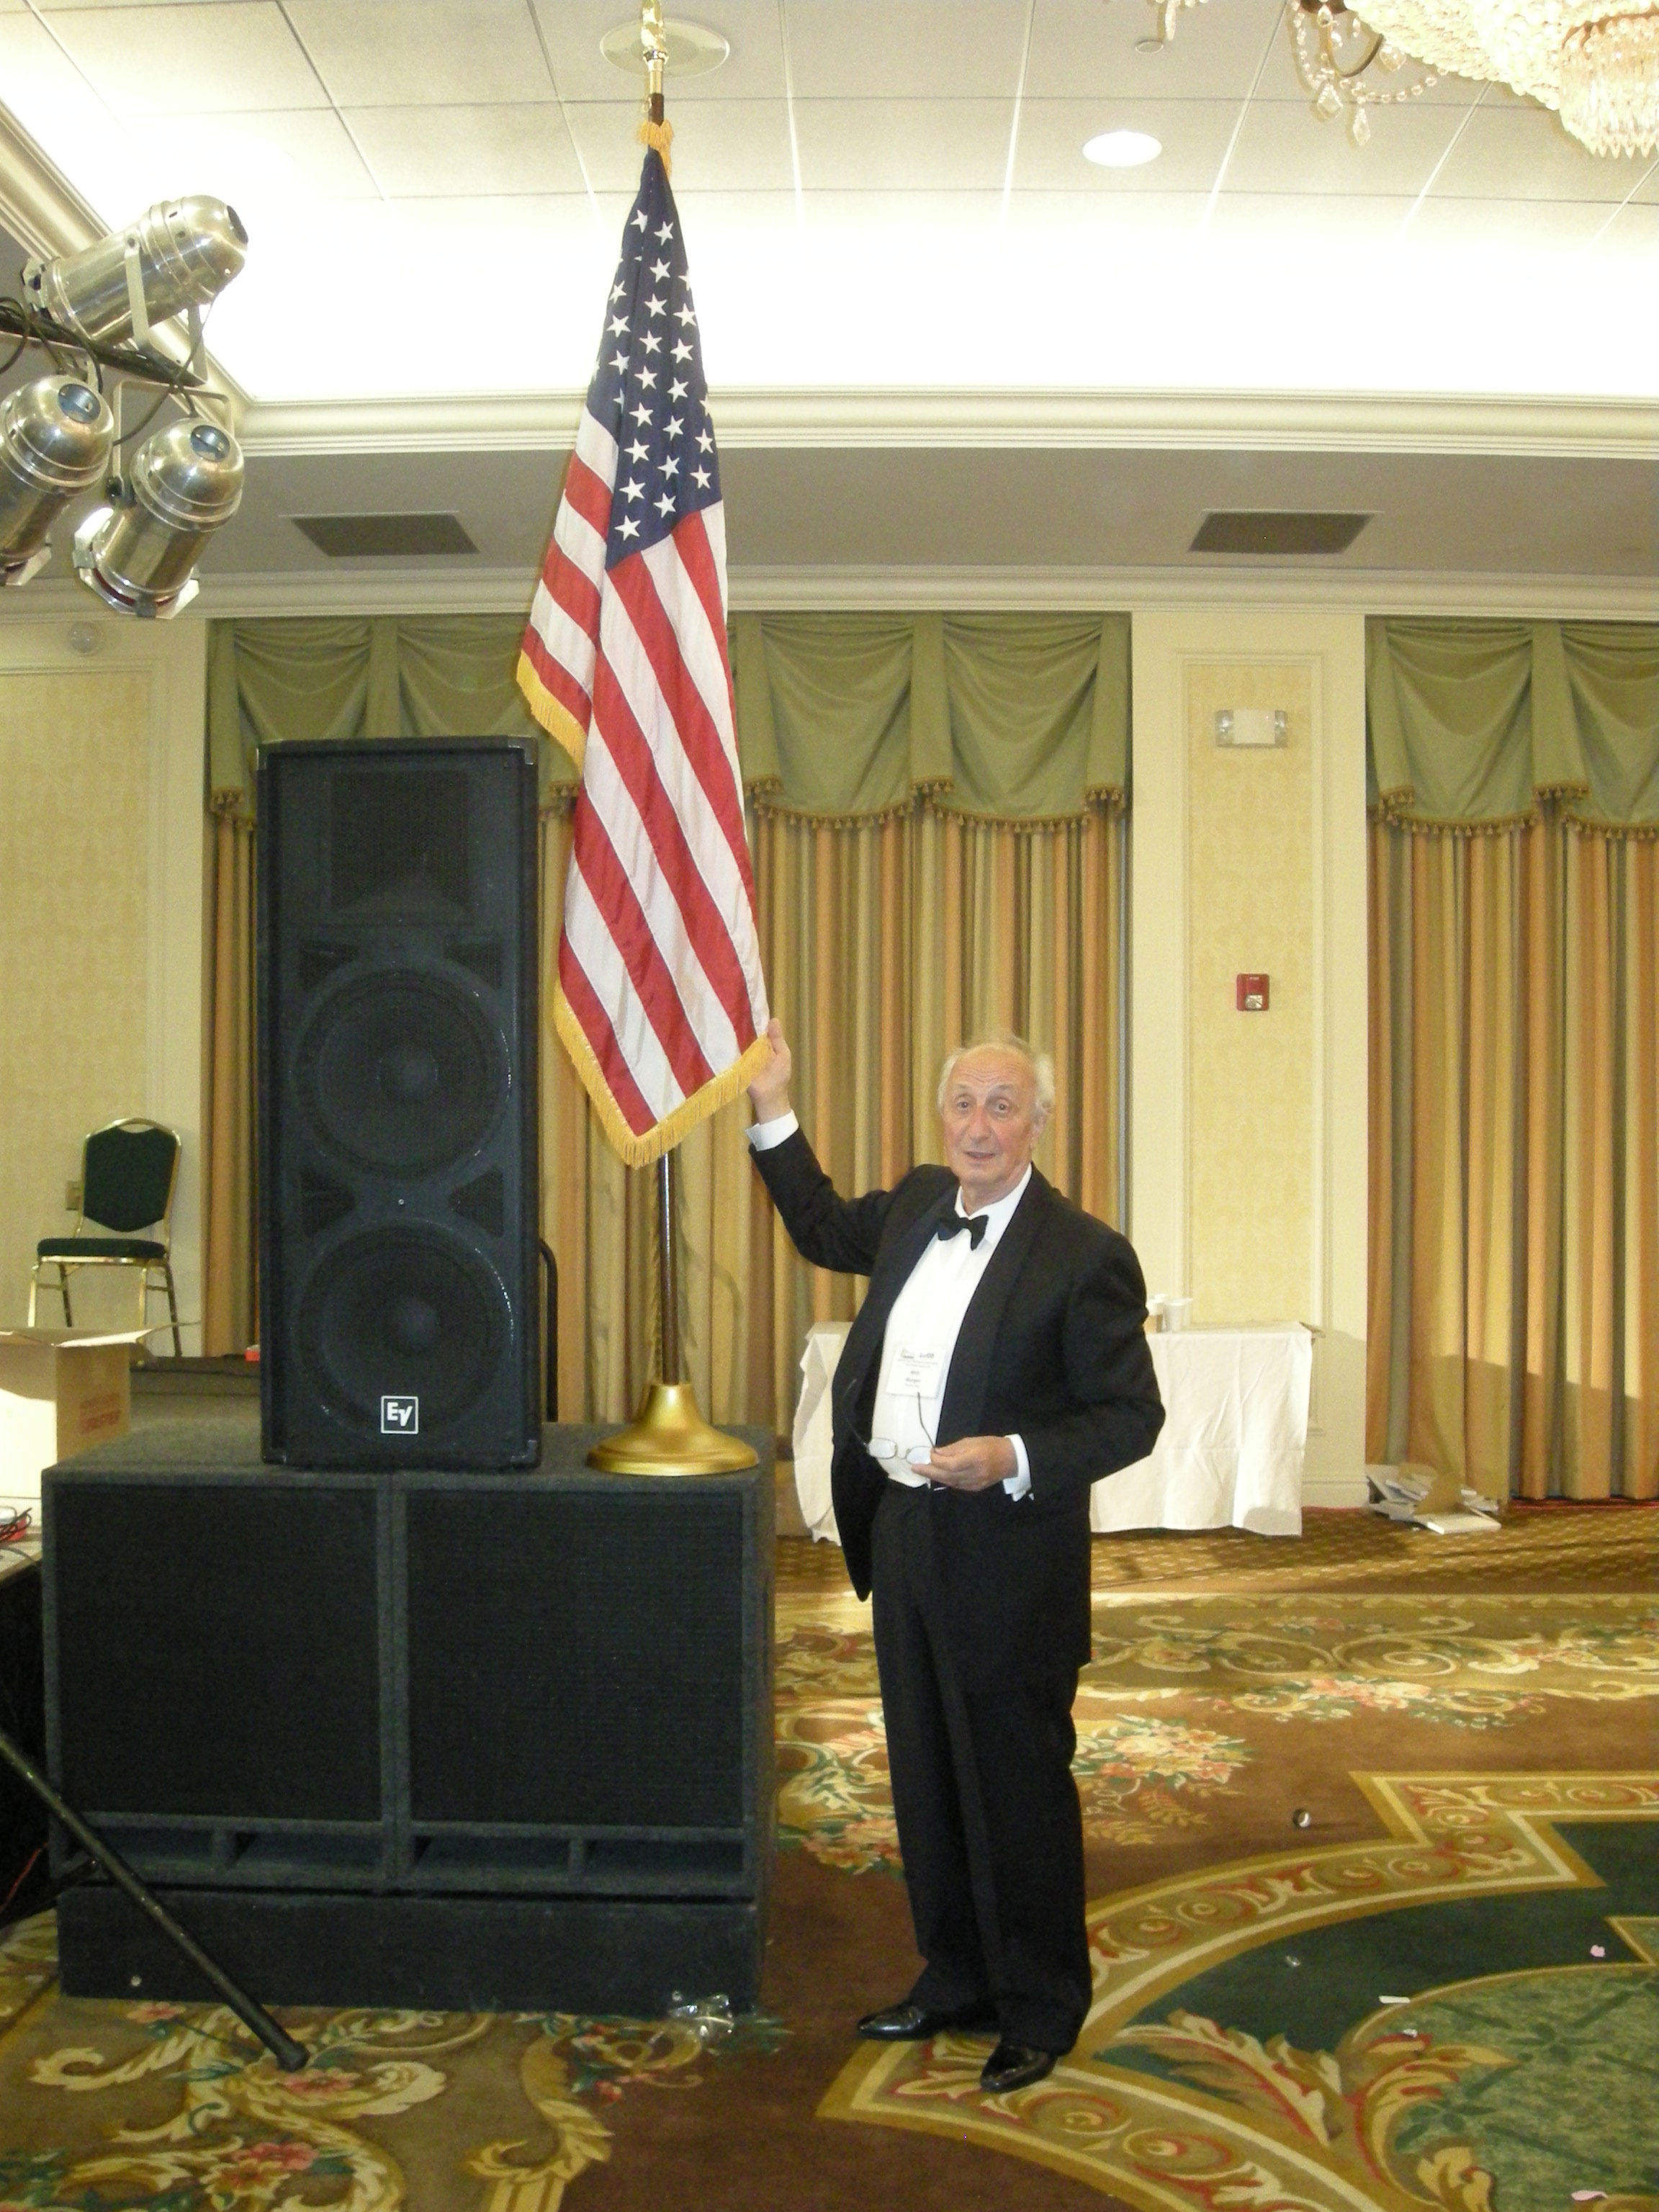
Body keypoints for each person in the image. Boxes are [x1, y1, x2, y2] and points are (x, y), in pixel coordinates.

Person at [746, 1020, 1164, 2095]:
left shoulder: (1084, 1254)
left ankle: (1040, 2005)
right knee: (927, 1770)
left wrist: (1014, 1455)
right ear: (943, 1115)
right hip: (905, 1532)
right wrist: (772, 1102)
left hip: (1009, 1554)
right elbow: (820, 1223)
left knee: (1016, 1785)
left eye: (1003, 1106)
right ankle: (958, 1976)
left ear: (1039, 1124)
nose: (979, 1126)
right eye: (964, 1103)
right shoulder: (920, 1204)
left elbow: (1131, 1416)